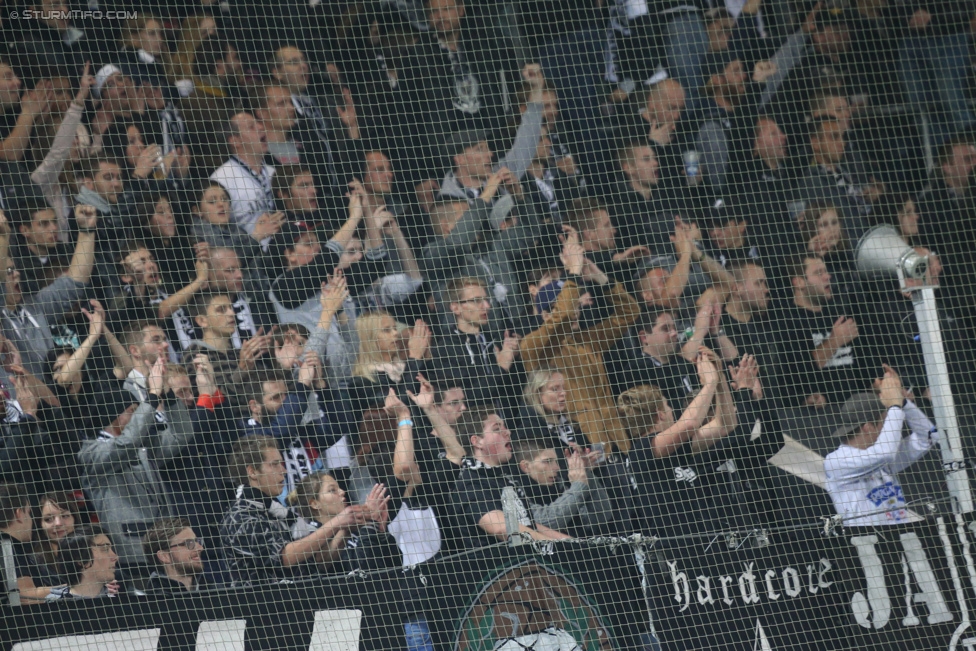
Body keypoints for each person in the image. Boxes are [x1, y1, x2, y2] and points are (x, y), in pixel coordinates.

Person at [220, 435, 368, 586]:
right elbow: (284, 557)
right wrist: (336, 523)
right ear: (252, 472)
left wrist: (346, 528)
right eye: (275, 464)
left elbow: (317, 562)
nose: (283, 470)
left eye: (281, 464)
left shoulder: (276, 511)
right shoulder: (240, 517)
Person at [824, 366, 940, 526]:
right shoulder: (836, 460)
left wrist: (903, 402)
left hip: (903, 538)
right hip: (868, 544)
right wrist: (894, 407)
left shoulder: (878, 455)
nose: (887, 427)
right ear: (868, 427)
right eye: (883, 422)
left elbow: (928, 436)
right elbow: (884, 453)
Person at [452, 406, 569, 548]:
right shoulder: (469, 483)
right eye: (497, 429)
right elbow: (503, 528)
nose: (508, 432)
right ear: (477, 441)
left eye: (505, 427)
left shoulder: (503, 477)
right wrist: (557, 547)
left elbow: (528, 524)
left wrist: (573, 544)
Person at [513, 437, 612, 538]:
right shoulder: (514, 490)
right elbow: (544, 522)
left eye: (555, 461)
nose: (557, 468)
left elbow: (602, 515)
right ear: (525, 466)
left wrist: (584, 471)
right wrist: (578, 486)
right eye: (548, 461)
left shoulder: (559, 484)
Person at [0, 482, 58, 604]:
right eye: (29, 512)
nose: (31, 520)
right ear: (19, 514)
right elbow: (26, 596)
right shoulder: (7, 547)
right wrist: (75, 589)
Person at [46, 525, 120, 599]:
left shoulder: (117, 601)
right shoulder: (55, 604)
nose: (115, 557)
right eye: (105, 549)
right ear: (80, 559)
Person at [141, 517, 207, 593]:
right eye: (189, 543)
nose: (200, 548)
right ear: (164, 556)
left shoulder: (215, 588)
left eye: (197, 541)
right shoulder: (156, 600)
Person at [31, 491, 78, 585]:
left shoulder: (92, 551)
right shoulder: (33, 562)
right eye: (49, 519)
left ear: (75, 519)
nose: (58, 523)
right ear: (40, 524)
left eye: (65, 516)